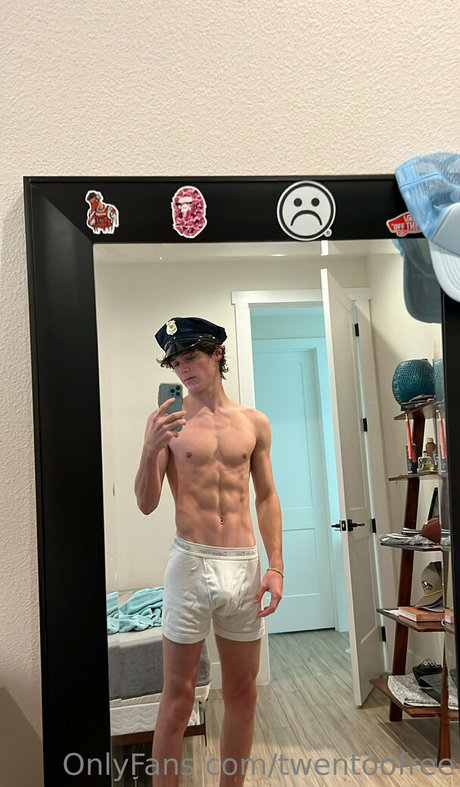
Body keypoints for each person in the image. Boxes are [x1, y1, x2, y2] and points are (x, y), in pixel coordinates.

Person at [134, 316, 283, 786]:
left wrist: (276, 565)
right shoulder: (168, 421)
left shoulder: (254, 423)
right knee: (177, 699)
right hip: (190, 565)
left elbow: (266, 496)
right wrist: (150, 449)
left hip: (244, 565)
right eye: (175, 363)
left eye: (191, 357)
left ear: (217, 352)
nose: (183, 369)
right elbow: (146, 502)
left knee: (243, 694)